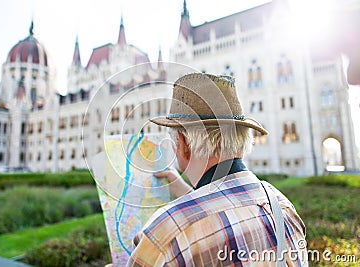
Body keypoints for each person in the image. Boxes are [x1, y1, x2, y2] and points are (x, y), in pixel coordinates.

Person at [125, 73, 307, 266]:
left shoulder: (167, 231)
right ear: (242, 140)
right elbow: (227, 208)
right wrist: (183, 189)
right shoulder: (282, 206)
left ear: (183, 144)